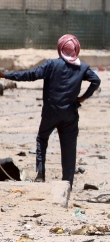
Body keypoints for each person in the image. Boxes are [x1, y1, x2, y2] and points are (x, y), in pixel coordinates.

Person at [0, 35, 100, 186]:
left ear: (60, 49)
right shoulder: (83, 68)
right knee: (69, 148)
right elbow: (96, 81)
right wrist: (83, 97)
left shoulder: (51, 65)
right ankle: (67, 182)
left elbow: (29, 75)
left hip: (50, 112)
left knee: (42, 139)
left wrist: (6, 74)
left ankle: (41, 173)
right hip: (70, 113)